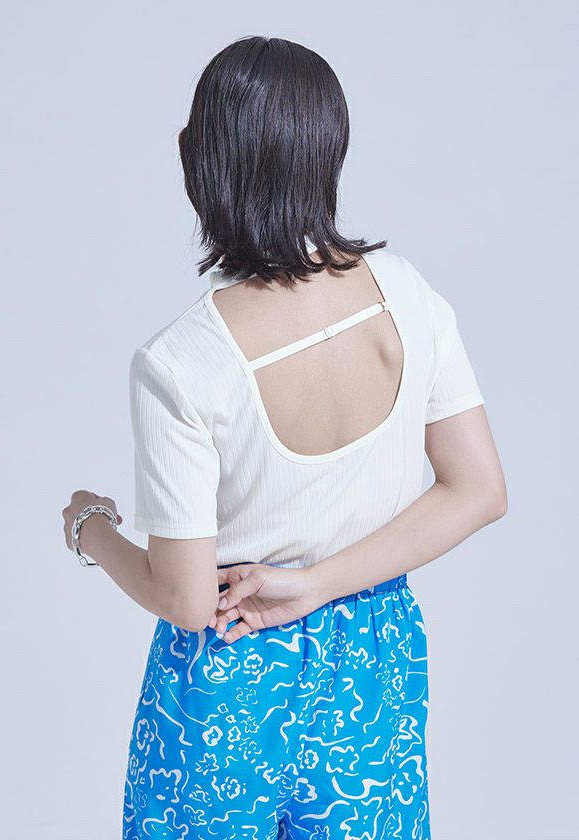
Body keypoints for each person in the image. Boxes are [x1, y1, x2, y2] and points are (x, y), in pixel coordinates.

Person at [62, 35, 507, 840]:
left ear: (203, 162)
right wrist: (319, 583)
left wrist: (90, 528)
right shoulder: (404, 295)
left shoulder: (182, 362)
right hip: (373, 660)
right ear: (327, 153)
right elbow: (478, 489)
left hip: (231, 671)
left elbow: (186, 599)